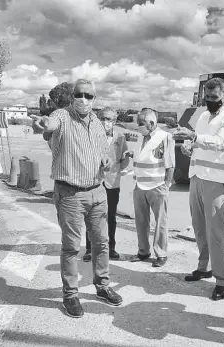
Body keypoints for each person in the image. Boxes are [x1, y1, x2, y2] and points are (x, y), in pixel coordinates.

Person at [31, 79, 123, 318]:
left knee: (101, 243)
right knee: (71, 247)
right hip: (70, 193)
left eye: (89, 96)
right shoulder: (62, 115)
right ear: (73, 96)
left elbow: (104, 152)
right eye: (80, 95)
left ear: (95, 98)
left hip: (97, 191)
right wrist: (43, 124)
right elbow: (49, 123)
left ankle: (102, 286)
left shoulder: (97, 123)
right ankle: (71, 295)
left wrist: (107, 160)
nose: (84, 99)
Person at [173, 77, 224, 301]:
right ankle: (203, 267)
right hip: (196, 177)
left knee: (215, 233)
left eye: (214, 98)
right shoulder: (204, 116)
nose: (210, 101)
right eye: (207, 97)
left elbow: (221, 142)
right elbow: (200, 143)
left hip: (216, 180)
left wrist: (194, 137)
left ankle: (221, 280)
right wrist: (189, 147)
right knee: (199, 227)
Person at [83, 107, 133, 262]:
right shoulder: (91, 136)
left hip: (112, 184)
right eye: (103, 118)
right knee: (92, 216)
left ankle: (111, 248)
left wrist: (127, 158)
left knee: (110, 216)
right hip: (94, 182)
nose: (106, 122)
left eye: (109, 119)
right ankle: (90, 248)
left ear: (115, 121)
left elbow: (124, 163)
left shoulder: (121, 138)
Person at [131, 108, 175, 268]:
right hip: (140, 186)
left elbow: (170, 164)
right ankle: (143, 251)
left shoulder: (164, 137)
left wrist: (167, 185)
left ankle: (161, 254)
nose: (139, 126)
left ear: (151, 123)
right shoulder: (140, 138)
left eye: (141, 123)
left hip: (158, 186)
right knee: (141, 221)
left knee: (160, 222)